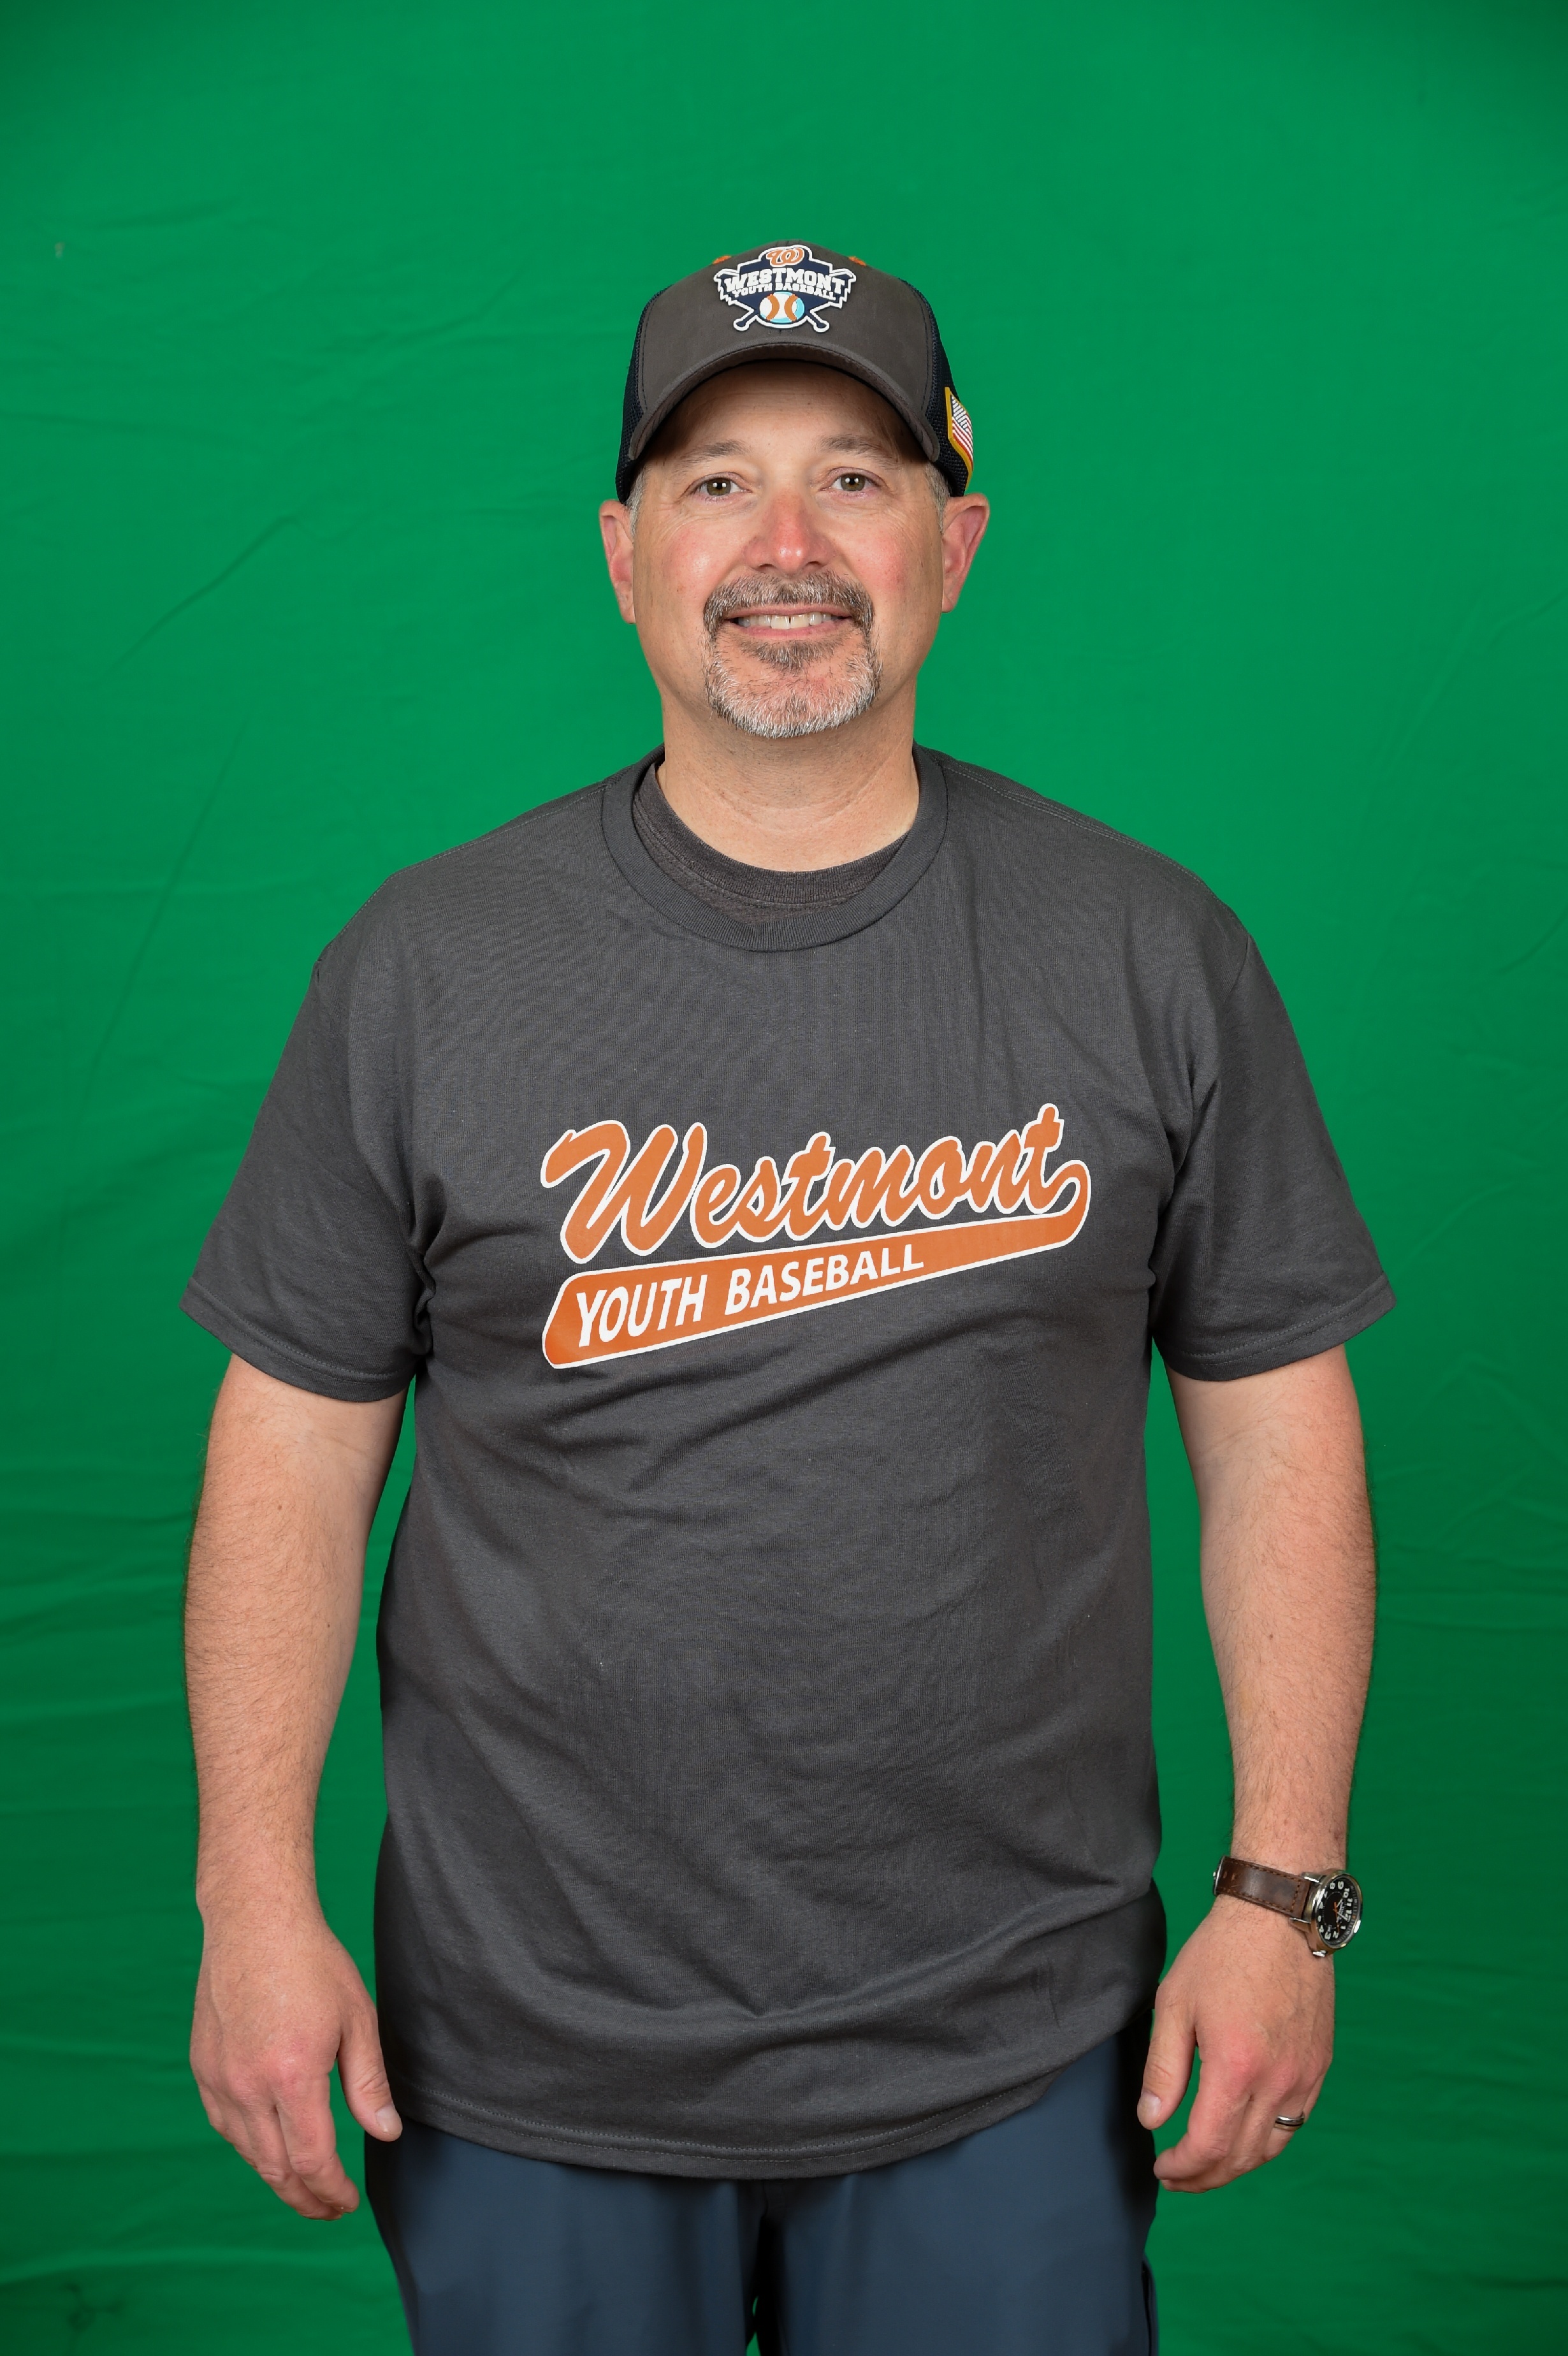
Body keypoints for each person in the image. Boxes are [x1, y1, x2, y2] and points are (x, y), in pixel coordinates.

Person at [182, 244, 1390, 2356]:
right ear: (623, 553)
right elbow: (290, 1455)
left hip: (1011, 2039)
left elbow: (1278, 1427)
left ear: (954, 541)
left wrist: (1282, 1895)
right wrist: (251, 1903)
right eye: (718, 483)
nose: (787, 549)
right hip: (525, 2042)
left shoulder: (1146, 951)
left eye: (853, 477)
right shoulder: (427, 965)